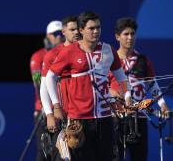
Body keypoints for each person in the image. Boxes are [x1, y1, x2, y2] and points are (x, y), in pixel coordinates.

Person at [45, 11, 131, 161]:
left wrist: (127, 96)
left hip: (105, 118)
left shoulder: (109, 50)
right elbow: (50, 78)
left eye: (98, 27)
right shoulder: (69, 51)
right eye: (91, 28)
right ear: (81, 30)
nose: (96, 31)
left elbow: (121, 77)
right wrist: (56, 106)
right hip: (79, 119)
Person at [109, 17, 169, 161]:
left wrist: (162, 104)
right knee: (115, 158)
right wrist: (112, 92)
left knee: (140, 157)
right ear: (117, 36)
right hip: (115, 117)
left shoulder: (143, 60)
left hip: (139, 116)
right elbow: (100, 84)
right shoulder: (109, 59)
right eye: (126, 34)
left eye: (133, 33)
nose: (130, 37)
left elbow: (152, 84)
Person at [30, 20, 64, 161]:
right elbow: (38, 83)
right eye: (55, 34)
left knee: (60, 151)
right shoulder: (38, 56)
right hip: (43, 110)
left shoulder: (65, 54)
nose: (59, 37)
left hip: (61, 110)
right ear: (48, 36)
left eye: (61, 33)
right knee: (42, 152)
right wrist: (47, 107)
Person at [40, 15, 80, 132]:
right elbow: (44, 87)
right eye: (72, 30)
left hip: (85, 114)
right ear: (64, 32)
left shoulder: (88, 52)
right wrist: (49, 114)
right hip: (62, 114)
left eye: (78, 29)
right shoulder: (52, 55)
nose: (76, 32)